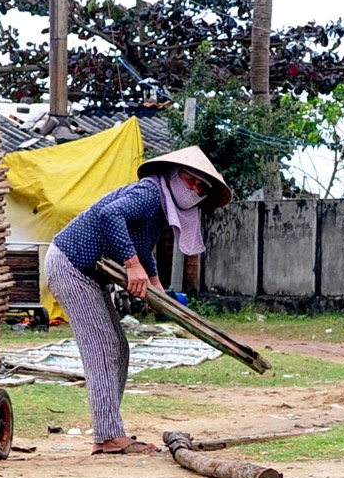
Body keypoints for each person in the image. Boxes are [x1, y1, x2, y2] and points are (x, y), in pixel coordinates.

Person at [43, 146, 232, 455]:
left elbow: (142, 246)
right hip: (71, 265)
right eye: (191, 180)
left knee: (118, 347)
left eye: (201, 187)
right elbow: (110, 215)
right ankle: (108, 436)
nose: (195, 189)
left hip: (87, 271)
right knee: (104, 346)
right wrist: (132, 266)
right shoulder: (149, 192)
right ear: (172, 175)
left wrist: (155, 285)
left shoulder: (160, 207)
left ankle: (108, 431)